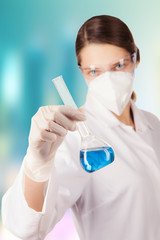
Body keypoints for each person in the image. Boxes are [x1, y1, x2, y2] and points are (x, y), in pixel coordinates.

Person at [2, 15, 160, 240]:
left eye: (119, 65)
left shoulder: (153, 124)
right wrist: (37, 162)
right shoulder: (73, 136)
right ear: (82, 71)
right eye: (94, 71)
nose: (109, 80)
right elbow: (26, 228)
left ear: (136, 59)